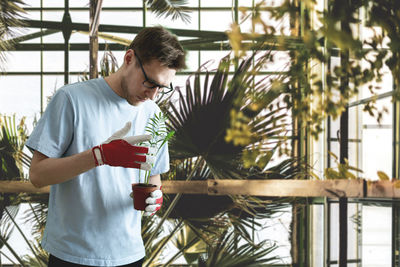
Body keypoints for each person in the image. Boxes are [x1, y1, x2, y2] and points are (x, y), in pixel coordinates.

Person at [26, 26, 186, 267]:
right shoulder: (71, 99)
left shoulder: (152, 113)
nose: (152, 95)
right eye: (149, 82)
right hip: (71, 255)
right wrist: (99, 156)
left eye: (161, 87)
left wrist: (155, 194)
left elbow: (153, 175)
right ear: (129, 58)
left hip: (129, 254)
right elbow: (37, 175)